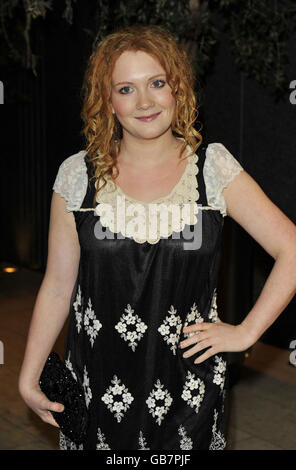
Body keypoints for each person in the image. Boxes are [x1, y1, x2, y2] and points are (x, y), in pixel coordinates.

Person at [18, 24, 296, 451]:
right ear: (107, 102)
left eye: (157, 83)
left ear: (177, 90)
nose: (144, 101)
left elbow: (291, 248)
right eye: (125, 89)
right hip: (97, 387)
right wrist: (28, 373)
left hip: (189, 394)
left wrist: (245, 333)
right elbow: (58, 284)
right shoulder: (77, 176)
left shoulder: (213, 170)